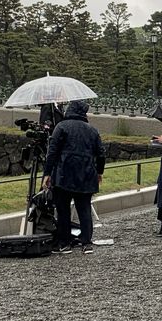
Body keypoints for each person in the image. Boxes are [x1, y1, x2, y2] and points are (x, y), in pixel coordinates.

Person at [41, 100, 105, 254]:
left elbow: (52, 153)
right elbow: (101, 154)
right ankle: (86, 243)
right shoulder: (92, 130)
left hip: (64, 174)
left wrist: (47, 173)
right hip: (87, 174)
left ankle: (65, 243)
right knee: (84, 209)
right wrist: (99, 172)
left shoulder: (61, 127)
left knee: (63, 210)